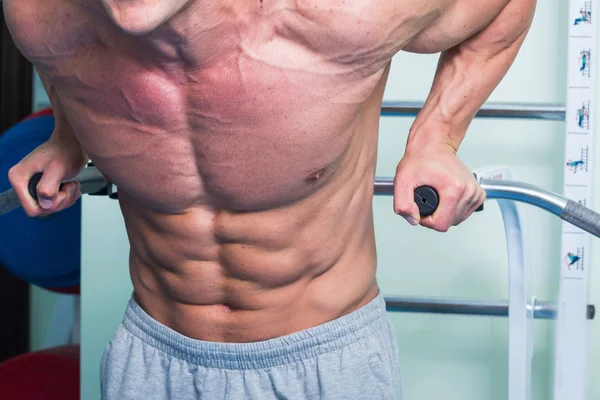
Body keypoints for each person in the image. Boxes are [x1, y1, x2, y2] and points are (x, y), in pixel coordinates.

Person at [3, 0, 536, 398]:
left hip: (320, 362)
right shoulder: (42, 12)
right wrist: (67, 137)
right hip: (152, 357)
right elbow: (58, 63)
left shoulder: (344, 13)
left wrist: (436, 138)